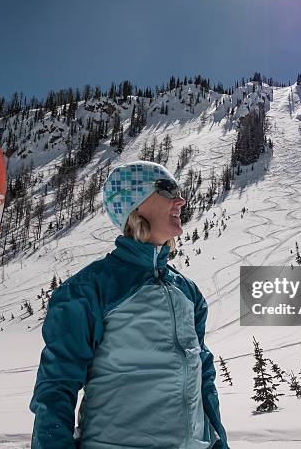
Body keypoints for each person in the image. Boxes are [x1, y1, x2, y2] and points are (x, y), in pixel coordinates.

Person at [29, 161, 229, 448]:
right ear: (135, 204)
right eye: (167, 189)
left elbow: (203, 378)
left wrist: (219, 442)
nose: (180, 199)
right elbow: (56, 387)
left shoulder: (187, 292)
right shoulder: (89, 289)